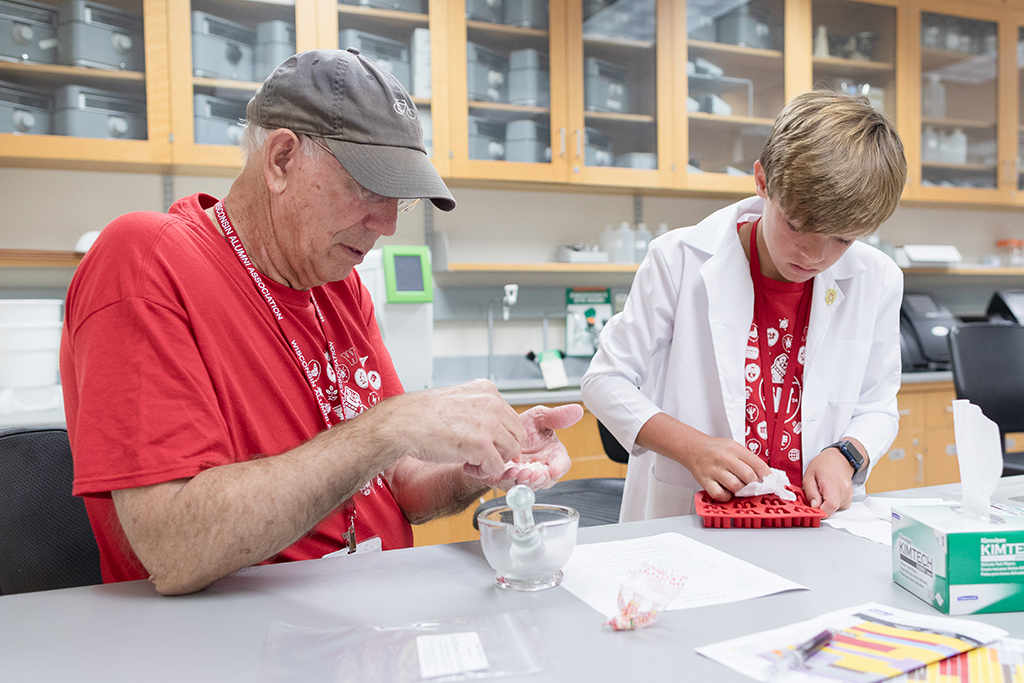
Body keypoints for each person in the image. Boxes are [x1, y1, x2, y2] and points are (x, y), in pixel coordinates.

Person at [60, 48, 582, 596]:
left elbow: (400, 480)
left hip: (367, 612)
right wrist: (389, 425)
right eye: (366, 188)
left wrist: (483, 460)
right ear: (282, 160)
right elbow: (174, 547)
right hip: (234, 638)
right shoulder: (148, 259)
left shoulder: (338, 283)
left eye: (398, 202)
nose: (385, 225)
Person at [581, 90, 907, 522]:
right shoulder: (679, 259)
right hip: (693, 517)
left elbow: (878, 404)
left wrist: (846, 454)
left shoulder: (877, 279)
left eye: (842, 239)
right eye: (796, 225)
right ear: (762, 181)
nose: (814, 256)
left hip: (810, 519)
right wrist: (692, 447)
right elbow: (605, 380)